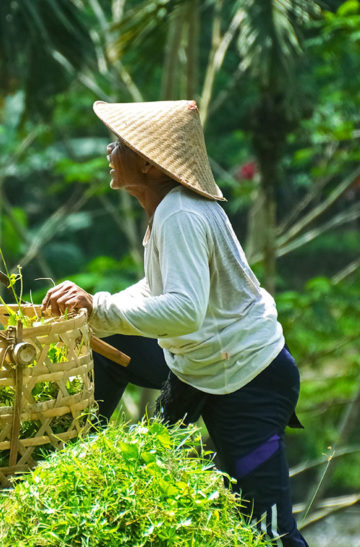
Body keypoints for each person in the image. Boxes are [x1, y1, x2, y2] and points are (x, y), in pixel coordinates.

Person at [41, 100, 307, 546]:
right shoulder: (167, 210)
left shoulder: (180, 214)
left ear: (146, 162)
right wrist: (93, 312)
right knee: (111, 368)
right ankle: (77, 463)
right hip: (199, 369)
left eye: (118, 145)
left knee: (270, 532)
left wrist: (100, 307)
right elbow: (154, 288)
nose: (109, 152)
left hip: (247, 380)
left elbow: (184, 311)